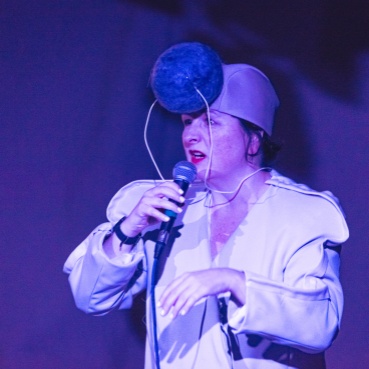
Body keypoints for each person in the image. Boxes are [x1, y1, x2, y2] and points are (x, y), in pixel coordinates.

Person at [64, 52, 349, 369]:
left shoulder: (301, 214)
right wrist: (128, 229)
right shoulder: (169, 209)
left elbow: (321, 323)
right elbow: (90, 297)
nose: (191, 135)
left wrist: (234, 281)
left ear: (253, 140)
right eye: (188, 122)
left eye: (211, 122)